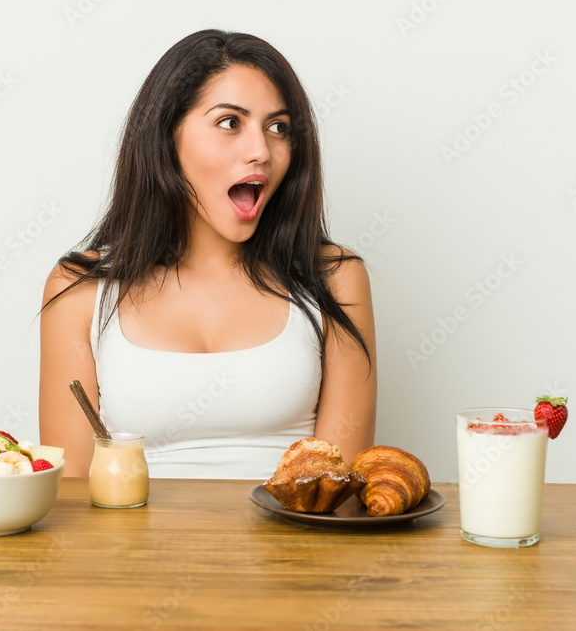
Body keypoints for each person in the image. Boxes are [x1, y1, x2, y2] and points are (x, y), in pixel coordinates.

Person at [39, 29, 376, 479]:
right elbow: (72, 494)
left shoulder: (334, 279)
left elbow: (338, 490)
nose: (262, 151)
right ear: (166, 137)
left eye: (278, 128)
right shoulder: (79, 289)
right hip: (130, 549)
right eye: (230, 122)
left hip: (295, 549)